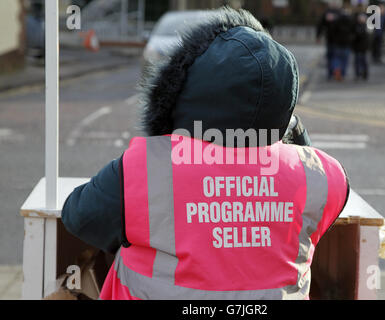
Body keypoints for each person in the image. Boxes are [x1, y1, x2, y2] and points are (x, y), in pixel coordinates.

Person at [62, 7, 350, 300]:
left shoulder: (145, 168)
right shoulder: (321, 175)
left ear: (183, 91)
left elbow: (79, 216)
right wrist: (290, 131)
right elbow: (314, 213)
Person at [316, 0, 342, 80]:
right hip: (337, 39)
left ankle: (330, 73)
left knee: (330, 56)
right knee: (335, 56)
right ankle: (335, 70)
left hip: (330, 38)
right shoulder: (340, 13)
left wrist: (318, 36)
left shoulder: (327, 13)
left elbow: (320, 25)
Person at [332, 4, 354, 81]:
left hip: (338, 43)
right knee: (345, 60)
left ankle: (337, 70)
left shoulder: (337, 19)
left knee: (336, 59)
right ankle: (343, 74)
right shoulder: (351, 20)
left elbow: (333, 31)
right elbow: (353, 31)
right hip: (347, 43)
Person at [353, 4, 370, 80]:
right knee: (357, 61)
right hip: (357, 47)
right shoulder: (356, 25)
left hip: (364, 47)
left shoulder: (367, 26)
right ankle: (357, 74)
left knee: (364, 61)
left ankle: (364, 74)